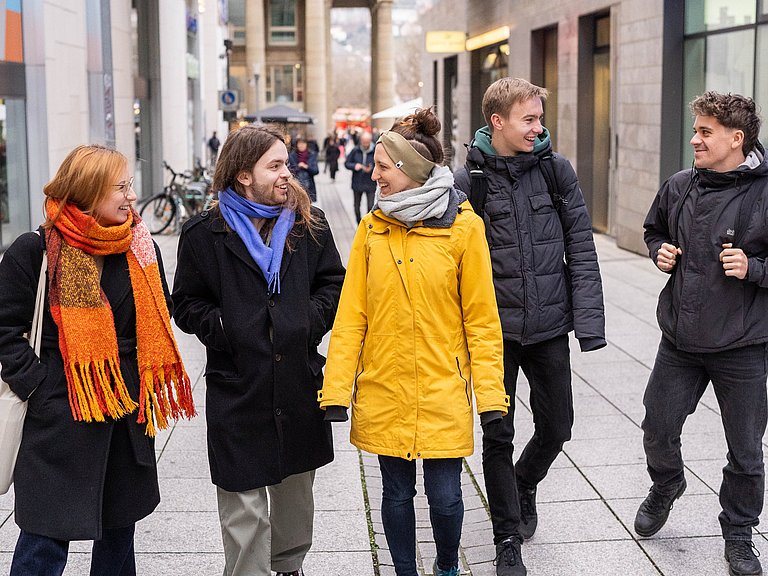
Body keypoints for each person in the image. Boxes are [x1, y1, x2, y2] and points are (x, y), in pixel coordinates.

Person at [319, 108, 510, 576]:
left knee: (446, 496)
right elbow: (352, 317)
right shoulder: (372, 228)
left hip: (444, 383)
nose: (374, 173)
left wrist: (489, 395)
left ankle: (447, 567)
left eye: (383, 165)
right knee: (396, 493)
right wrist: (337, 388)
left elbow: (482, 320)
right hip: (386, 382)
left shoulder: (463, 227)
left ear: (407, 170)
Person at [0, 144, 195, 575]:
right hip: (58, 417)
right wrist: (38, 382)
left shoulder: (141, 248)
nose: (131, 196)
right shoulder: (35, 251)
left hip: (125, 417)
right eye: (120, 187)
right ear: (88, 192)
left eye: (129, 185)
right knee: (44, 539)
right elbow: (5, 329)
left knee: (118, 537)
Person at [172, 124, 345, 576]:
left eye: (286, 163)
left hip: (296, 384)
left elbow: (333, 282)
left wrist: (305, 321)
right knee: (243, 504)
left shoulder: (310, 225)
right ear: (244, 174)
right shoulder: (203, 234)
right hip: (239, 386)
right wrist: (226, 327)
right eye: (276, 165)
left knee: (294, 498)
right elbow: (186, 303)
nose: (288, 174)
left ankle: (289, 567)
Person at [454, 77, 606, 575]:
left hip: (547, 326)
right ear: (497, 121)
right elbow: (451, 262)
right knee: (498, 435)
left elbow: (580, 246)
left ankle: (524, 482)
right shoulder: (468, 181)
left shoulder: (556, 171)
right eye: (530, 119)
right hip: (491, 332)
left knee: (557, 427)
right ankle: (506, 538)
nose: (539, 127)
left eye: (539, 118)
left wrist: (588, 323)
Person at [637, 91, 768, 576]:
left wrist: (754, 268)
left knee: (746, 452)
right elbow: (653, 230)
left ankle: (738, 535)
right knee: (657, 427)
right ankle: (667, 483)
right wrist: (660, 251)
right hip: (681, 340)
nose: (694, 139)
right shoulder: (679, 186)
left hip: (743, 345)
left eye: (705, 132)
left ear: (736, 139)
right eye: (695, 129)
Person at [345, 131, 376, 222]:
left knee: (370, 206)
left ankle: (368, 224)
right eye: (364, 142)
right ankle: (359, 223)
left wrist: (372, 168)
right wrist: (355, 166)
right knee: (356, 206)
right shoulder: (355, 150)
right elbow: (347, 163)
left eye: (368, 142)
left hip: (370, 183)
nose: (366, 144)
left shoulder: (375, 151)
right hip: (357, 182)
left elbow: (381, 165)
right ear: (361, 140)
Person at [288, 136, 319, 202]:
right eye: (299, 143)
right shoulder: (292, 155)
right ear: (297, 144)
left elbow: (316, 171)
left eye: (303, 143)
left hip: (309, 186)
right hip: (296, 186)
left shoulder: (311, 155)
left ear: (306, 145)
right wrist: (298, 166)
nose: (301, 145)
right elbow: (289, 171)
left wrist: (306, 167)